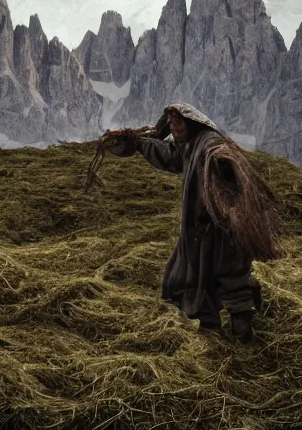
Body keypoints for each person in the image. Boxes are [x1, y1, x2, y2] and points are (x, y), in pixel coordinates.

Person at [108, 103, 284, 343]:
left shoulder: (211, 144)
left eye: (177, 122)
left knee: (227, 273)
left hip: (220, 226)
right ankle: (211, 324)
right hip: (201, 228)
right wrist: (139, 144)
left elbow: (226, 168)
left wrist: (225, 208)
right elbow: (170, 155)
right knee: (194, 273)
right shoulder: (191, 145)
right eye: (170, 123)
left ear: (191, 121)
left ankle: (240, 330)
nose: (173, 127)